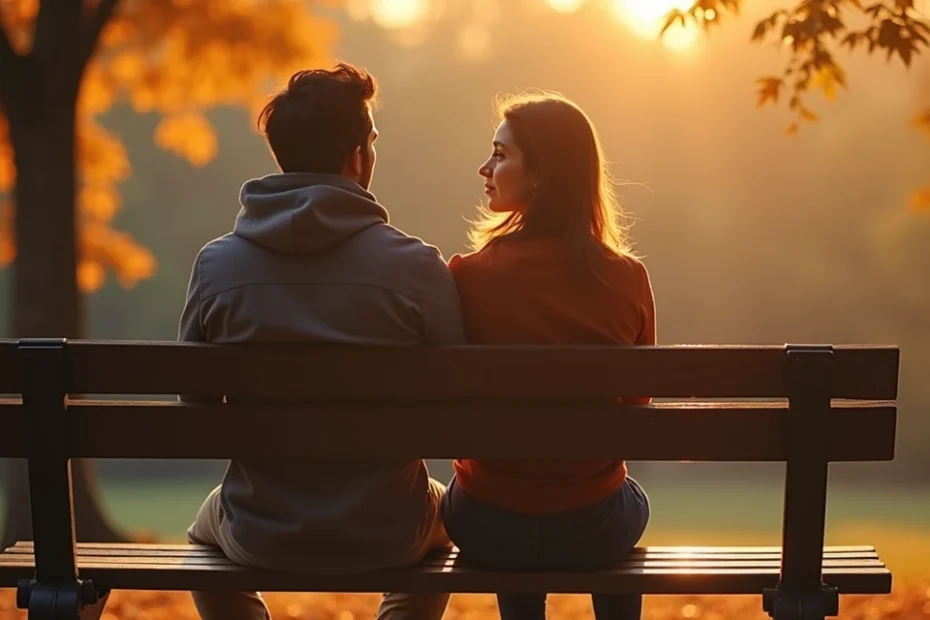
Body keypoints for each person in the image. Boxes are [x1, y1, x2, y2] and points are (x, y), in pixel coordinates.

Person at [177, 62, 465, 620]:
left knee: (201, 536)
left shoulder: (217, 266)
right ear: (357, 157)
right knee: (443, 524)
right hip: (390, 528)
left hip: (261, 527)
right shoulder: (416, 267)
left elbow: (196, 408)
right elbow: (455, 402)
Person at [441, 91, 655, 620]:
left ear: (541, 176)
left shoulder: (468, 277)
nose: (484, 167)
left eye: (500, 154)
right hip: (594, 526)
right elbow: (636, 407)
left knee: (504, 496)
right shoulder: (627, 278)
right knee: (628, 498)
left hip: (488, 525)